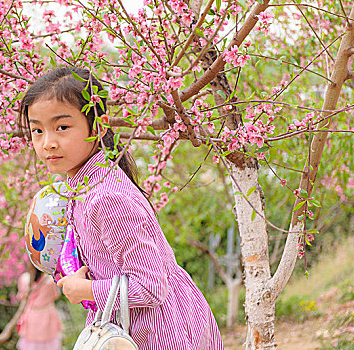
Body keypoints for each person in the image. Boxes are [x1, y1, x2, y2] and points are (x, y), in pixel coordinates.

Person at [19, 66, 224, 350]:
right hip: (138, 326)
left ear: (99, 125)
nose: (48, 143)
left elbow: (151, 286)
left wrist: (87, 290)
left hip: (162, 332)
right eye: (37, 130)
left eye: (62, 127)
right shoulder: (84, 186)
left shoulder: (106, 197)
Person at [16, 267, 62, 350]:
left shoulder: (23, 279)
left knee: (31, 344)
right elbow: (55, 295)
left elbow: (21, 296)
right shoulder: (50, 280)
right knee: (49, 344)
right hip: (47, 314)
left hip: (31, 315)